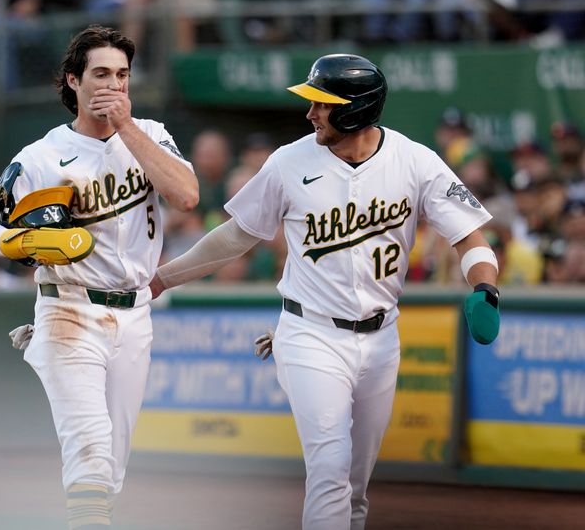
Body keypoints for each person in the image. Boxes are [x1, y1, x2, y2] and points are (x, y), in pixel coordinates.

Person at [149, 54, 500, 529]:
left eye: (322, 103)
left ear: (355, 110)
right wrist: (163, 278)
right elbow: (236, 235)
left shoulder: (416, 161)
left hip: (381, 338)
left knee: (354, 487)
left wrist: (485, 289)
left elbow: (471, 238)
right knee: (331, 467)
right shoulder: (289, 162)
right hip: (309, 333)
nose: (310, 112)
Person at [0, 25, 198, 529]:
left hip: (134, 315)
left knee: (111, 466)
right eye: (101, 74)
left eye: (123, 75)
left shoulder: (149, 135)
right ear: (73, 81)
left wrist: (128, 128)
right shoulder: (41, 156)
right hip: (69, 309)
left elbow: (187, 195)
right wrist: (18, 242)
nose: (114, 84)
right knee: (89, 447)